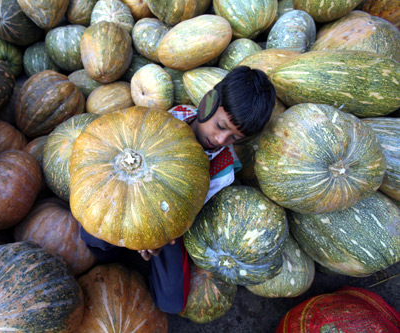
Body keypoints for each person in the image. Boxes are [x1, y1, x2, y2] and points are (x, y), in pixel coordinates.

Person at [80, 65, 276, 314]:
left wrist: (157, 239)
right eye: (221, 125)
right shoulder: (172, 117)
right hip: (130, 193)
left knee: (171, 302)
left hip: (171, 223)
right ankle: (112, 259)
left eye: (234, 138)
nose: (220, 140)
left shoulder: (223, 172)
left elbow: (188, 214)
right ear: (209, 103)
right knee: (91, 234)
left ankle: (140, 263)